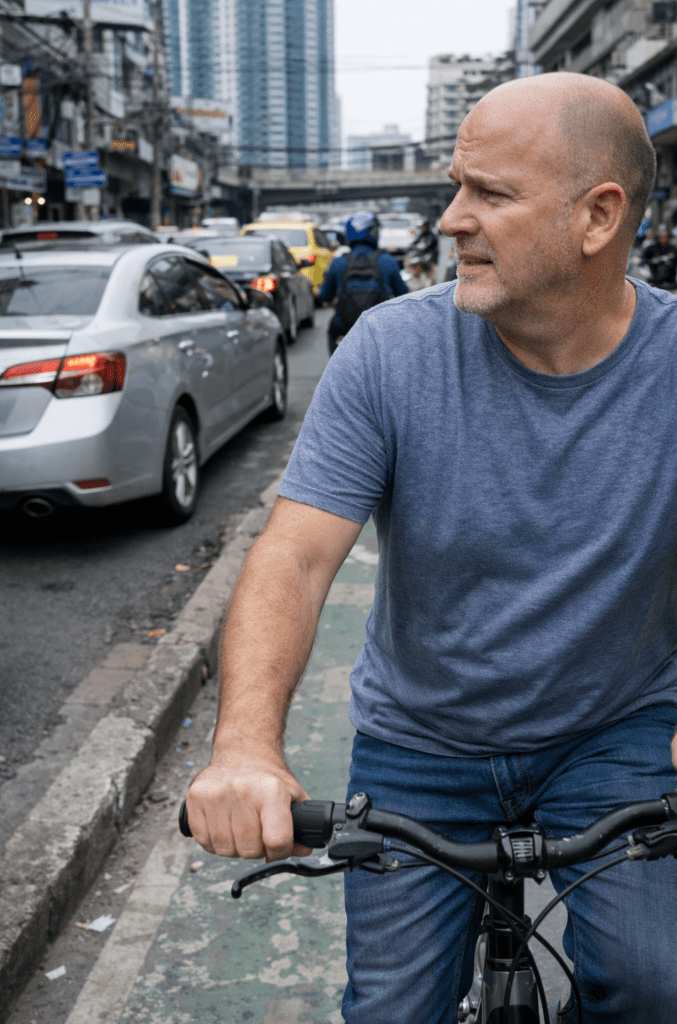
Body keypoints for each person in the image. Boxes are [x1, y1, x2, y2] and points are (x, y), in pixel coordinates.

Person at [187, 71, 677, 1024]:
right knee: (393, 1012)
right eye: (455, 187)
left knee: (659, 989)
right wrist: (244, 747)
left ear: (596, 216)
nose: (450, 220)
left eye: (488, 194)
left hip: (612, 734)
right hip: (421, 740)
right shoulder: (386, 351)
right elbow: (293, 555)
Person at [319, 210, 408, 354]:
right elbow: (403, 294)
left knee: (333, 333)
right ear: (375, 232)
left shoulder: (338, 262)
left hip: (344, 327)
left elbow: (325, 296)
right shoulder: (387, 260)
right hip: (381, 328)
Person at [641, 222, 677, 288]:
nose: (663, 239)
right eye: (661, 237)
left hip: (670, 281)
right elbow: (644, 259)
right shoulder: (651, 248)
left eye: (665, 237)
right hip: (655, 279)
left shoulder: (672, 248)